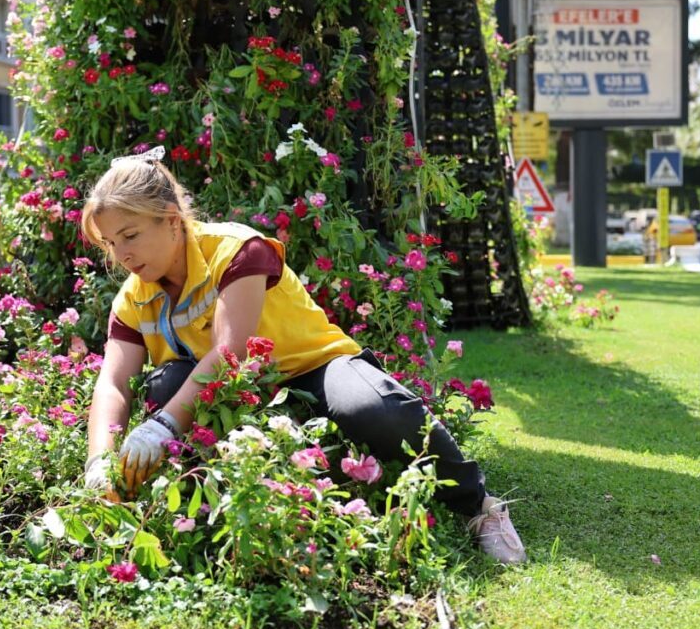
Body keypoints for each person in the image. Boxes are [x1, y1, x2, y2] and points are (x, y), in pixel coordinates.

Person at [78, 150, 527, 564]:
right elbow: (113, 383)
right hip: (242, 398)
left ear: (172, 221)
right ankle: (218, 514)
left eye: (130, 235)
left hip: (313, 368)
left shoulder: (237, 250)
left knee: (375, 410)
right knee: (164, 387)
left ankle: (478, 505)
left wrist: (162, 426)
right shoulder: (133, 298)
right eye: (110, 244)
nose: (122, 254)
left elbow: (229, 352)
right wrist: (100, 460)